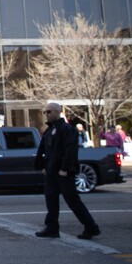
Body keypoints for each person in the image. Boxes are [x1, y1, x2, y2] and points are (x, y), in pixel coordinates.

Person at [35, 103, 100, 240]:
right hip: (51, 171)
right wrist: (44, 166)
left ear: (58, 112)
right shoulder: (49, 130)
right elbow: (45, 150)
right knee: (51, 199)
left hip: (63, 172)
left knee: (72, 200)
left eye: (49, 111)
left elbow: (70, 151)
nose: (46, 114)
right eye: (45, 112)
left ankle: (91, 226)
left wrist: (64, 169)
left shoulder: (67, 129)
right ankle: (52, 227)